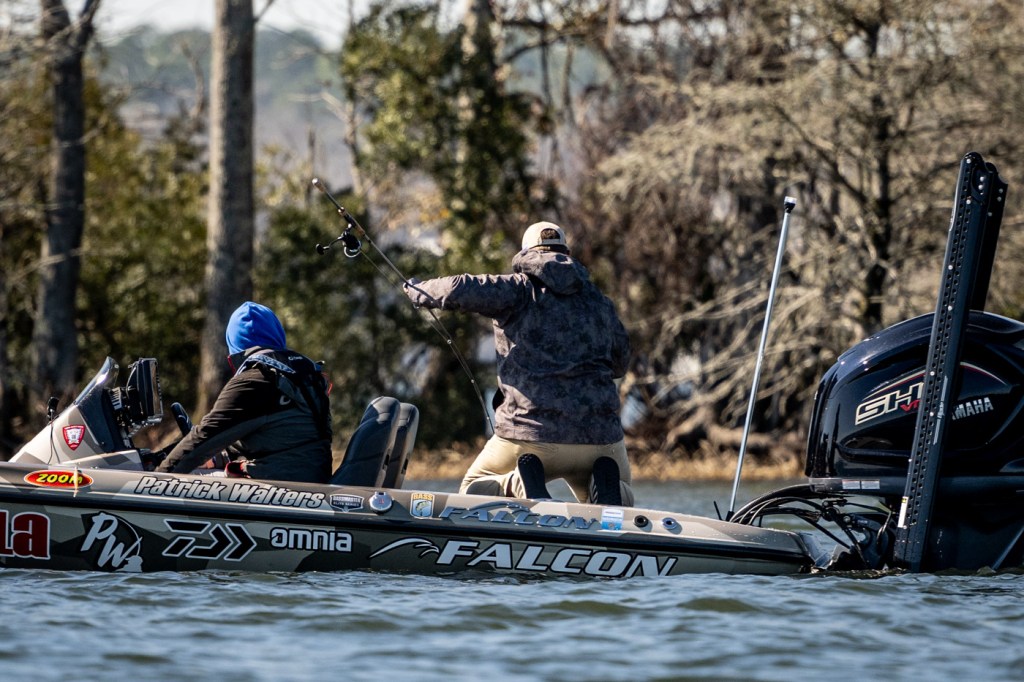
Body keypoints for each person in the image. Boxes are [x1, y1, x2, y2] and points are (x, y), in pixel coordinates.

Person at [404, 221, 634, 505]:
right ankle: (608, 489)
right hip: (600, 440)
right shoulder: (600, 302)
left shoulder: (517, 289)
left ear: (526, 253)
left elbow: (458, 287)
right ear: (566, 254)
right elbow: (620, 364)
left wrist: (415, 289)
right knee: (617, 503)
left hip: (528, 436)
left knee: (471, 488)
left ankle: (516, 482)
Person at [157, 301, 333, 483]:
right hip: (314, 481)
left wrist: (155, 478)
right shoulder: (306, 373)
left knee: (189, 480)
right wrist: (217, 458)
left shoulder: (255, 379)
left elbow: (202, 439)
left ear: (233, 354)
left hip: (281, 486)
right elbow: (280, 438)